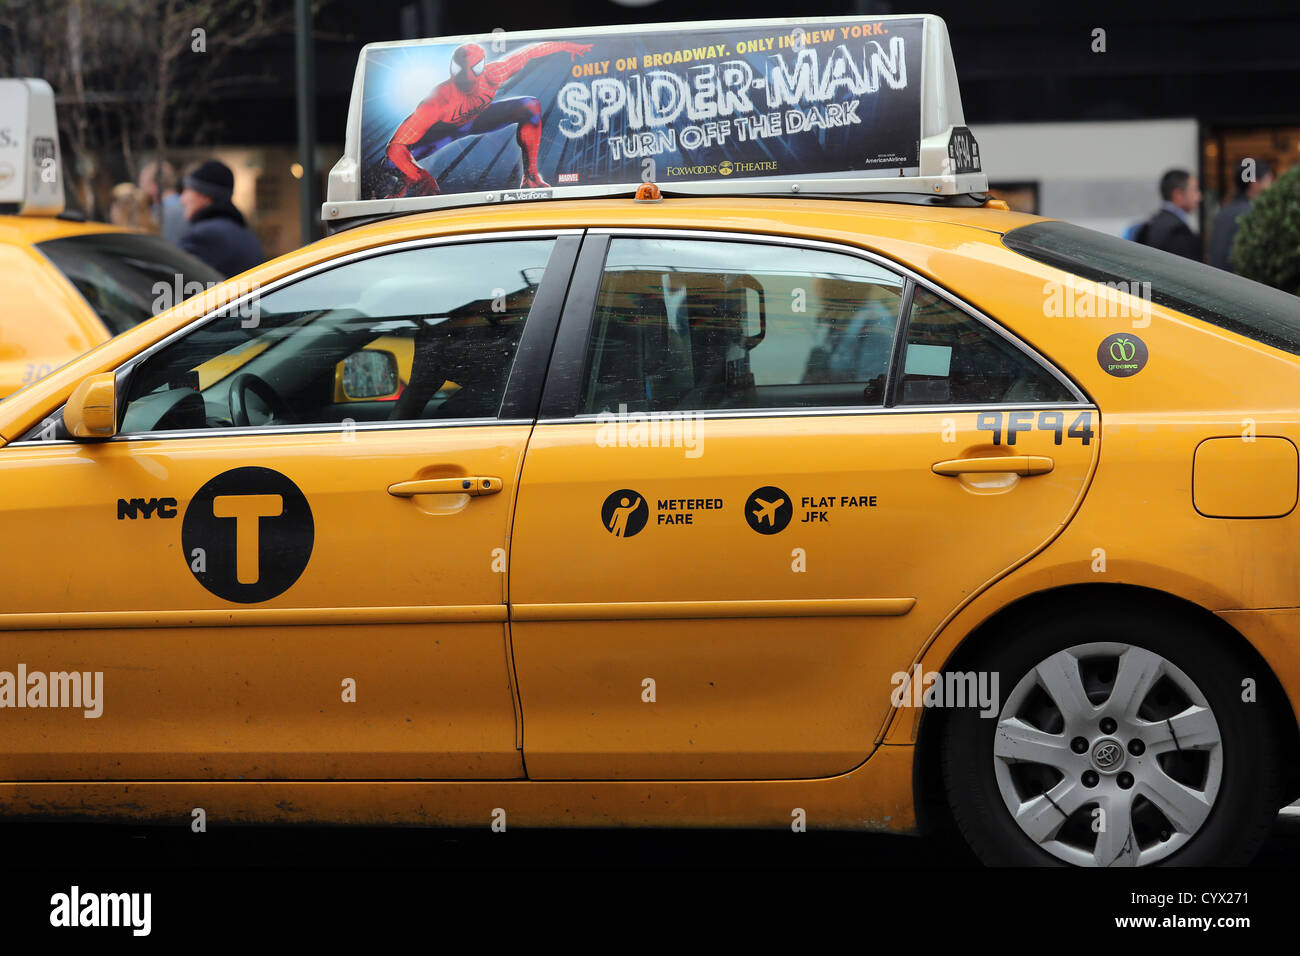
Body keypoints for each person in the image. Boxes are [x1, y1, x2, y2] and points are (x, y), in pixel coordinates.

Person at [383, 40, 592, 197]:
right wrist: (419, 175)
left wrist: (566, 45)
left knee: (529, 106)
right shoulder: (437, 101)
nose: (466, 75)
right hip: (442, 133)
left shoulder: (495, 74)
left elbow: (530, 52)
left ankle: (531, 176)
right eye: (459, 69)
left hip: (477, 120)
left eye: (472, 69)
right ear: (452, 68)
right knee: (393, 165)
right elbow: (396, 146)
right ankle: (403, 185)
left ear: (481, 67)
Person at [178, 160, 266, 278]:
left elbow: (177, 285)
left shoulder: (203, 235)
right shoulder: (245, 233)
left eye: (188, 190)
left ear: (205, 196)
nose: (182, 199)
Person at [1208, 159, 1275, 272]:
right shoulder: (1253, 214)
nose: (1272, 186)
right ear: (1254, 183)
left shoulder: (1224, 211)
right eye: (1268, 180)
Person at [1135, 169, 1203, 260]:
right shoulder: (1177, 230)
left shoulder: (1151, 223)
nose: (1200, 197)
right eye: (1195, 190)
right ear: (1178, 194)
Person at [139, 160, 186, 243]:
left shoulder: (159, 215)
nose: (141, 190)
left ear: (154, 186)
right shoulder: (186, 207)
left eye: (143, 184)